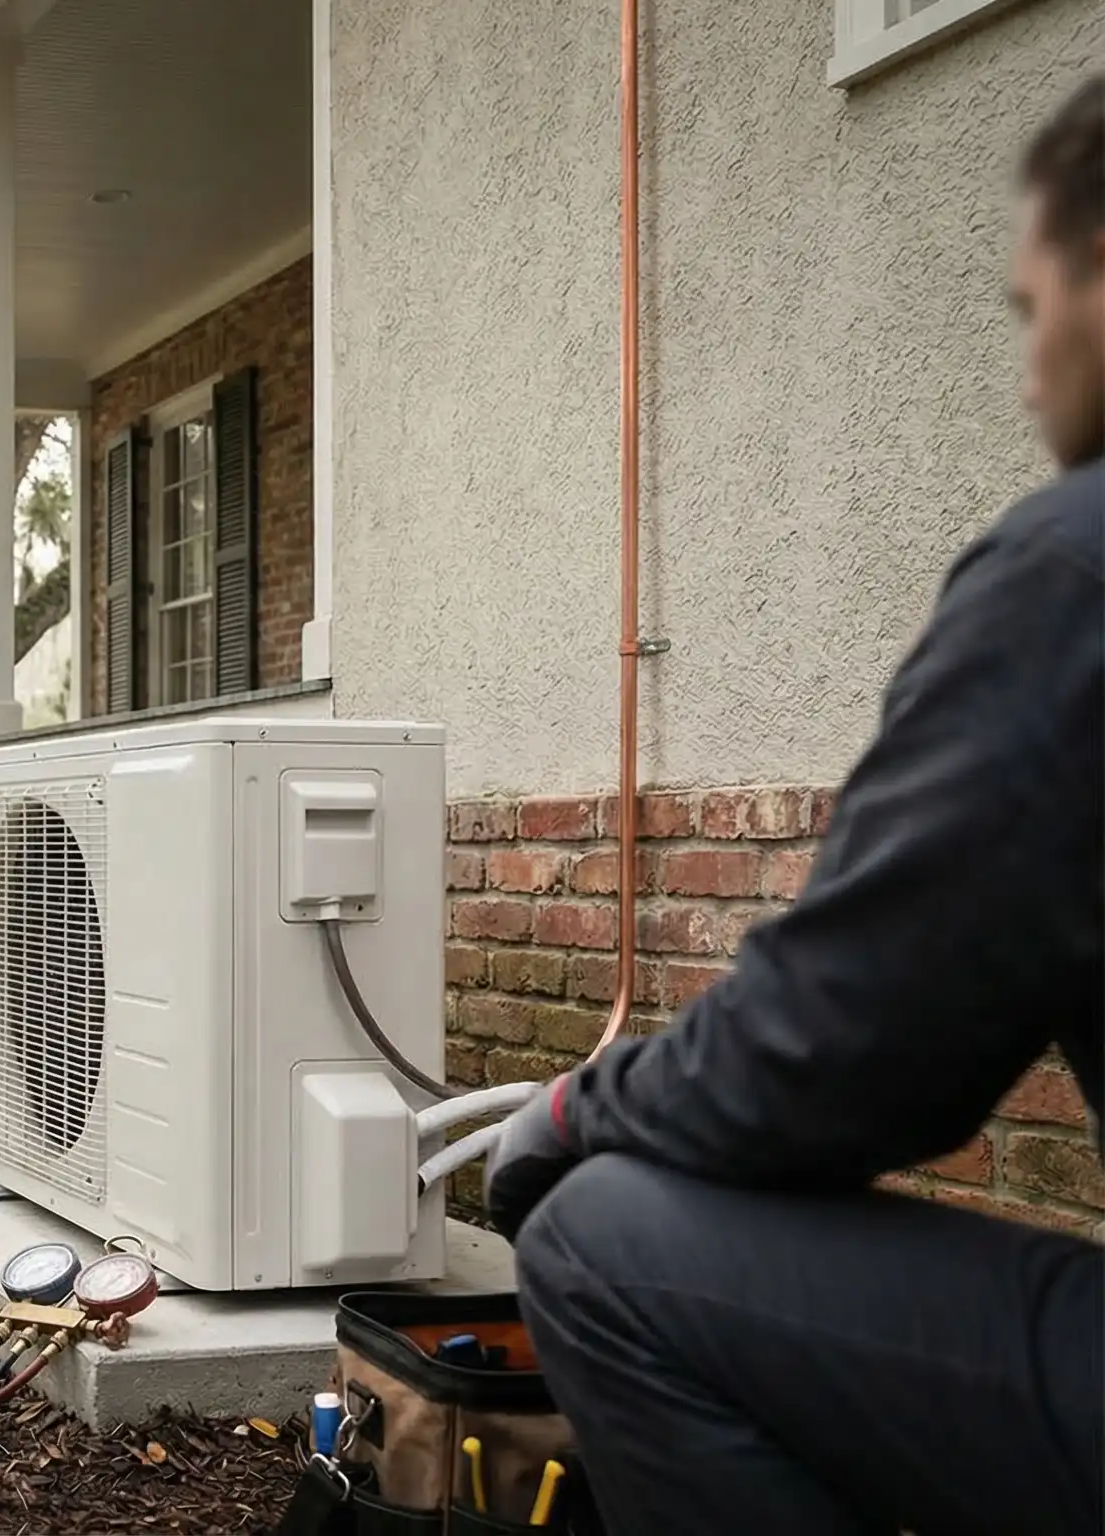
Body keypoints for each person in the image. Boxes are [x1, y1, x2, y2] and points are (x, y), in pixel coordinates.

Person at [483, 77, 1105, 1536]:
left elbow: (846, 1057)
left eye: (1033, 312)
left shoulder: (1072, 574)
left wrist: (575, 1109)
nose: (1027, 377)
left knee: (601, 1247)